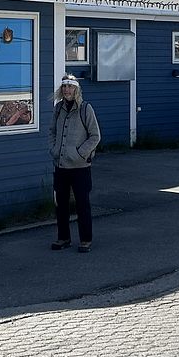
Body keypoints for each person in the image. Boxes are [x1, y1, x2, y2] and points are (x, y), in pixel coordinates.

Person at [48, 74, 101, 253]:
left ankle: (86, 239)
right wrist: (54, 149)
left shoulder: (86, 109)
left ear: (76, 89)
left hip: (80, 167)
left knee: (82, 204)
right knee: (61, 204)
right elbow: (52, 131)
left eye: (70, 87)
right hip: (61, 165)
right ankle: (63, 237)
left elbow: (95, 136)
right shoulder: (58, 108)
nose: (67, 90)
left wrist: (80, 154)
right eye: (64, 87)